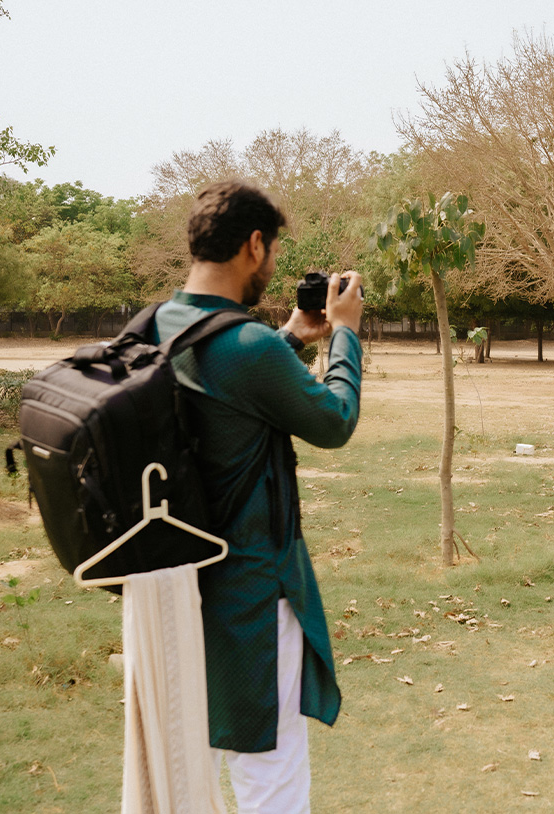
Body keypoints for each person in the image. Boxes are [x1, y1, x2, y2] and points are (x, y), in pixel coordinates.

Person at [152, 181, 363, 813]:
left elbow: (230, 385)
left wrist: (291, 336)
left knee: (197, 761)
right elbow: (335, 421)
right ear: (253, 245)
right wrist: (345, 333)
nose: (271, 266)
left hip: (175, 582)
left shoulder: (164, 322)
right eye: (271, 251)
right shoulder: (247, 346)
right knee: (270, 779)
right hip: (249, 595)